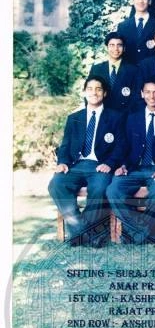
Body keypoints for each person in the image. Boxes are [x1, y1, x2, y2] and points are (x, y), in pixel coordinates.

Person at [48, 76, 125, 247]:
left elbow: (121, 146)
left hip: (100, 165)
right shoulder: (74, 118)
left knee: (100, 188)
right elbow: (65, 145)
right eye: (90, 89)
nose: (94, 92)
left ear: (104, 93)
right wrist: (62, 162)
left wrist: (110, 163)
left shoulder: (115, 117)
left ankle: (80, 234)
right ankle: (86, 233)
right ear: (84, 92)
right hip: (76, 165)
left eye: (98, 89)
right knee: (56, 184)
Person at [106, 77, 155, 245]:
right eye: (147, 92)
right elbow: (124, 145)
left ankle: (134, 234)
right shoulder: (132, 118)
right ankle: (144, 234)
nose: (151, 96)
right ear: (141, 94)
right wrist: (123, 165)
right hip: (133, 168)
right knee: (113, 190)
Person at [89, 32, 140, 113]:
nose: (116, 49)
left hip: (124, 115)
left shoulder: (133, 70)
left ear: (124, 48)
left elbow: (136, 96)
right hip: (102, 115)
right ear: (106, 47)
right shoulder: (96, 69)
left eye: (119, 45)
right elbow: (89, 94)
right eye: (112, 45)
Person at [117, 0, 155, 64]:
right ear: (132, 1)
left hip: (150, 69)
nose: (141, 1)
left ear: (149, 1)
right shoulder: (123, 26)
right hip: (129, 68)